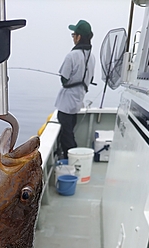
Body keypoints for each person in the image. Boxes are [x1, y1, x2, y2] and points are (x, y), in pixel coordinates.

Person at [55, 20, 95, 158]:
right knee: (69, 130)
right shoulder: (92, 57)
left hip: (66, 104)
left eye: (74, 35)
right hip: (78, 102)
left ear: (79, 37)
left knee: (66, 135)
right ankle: (69, 156)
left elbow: (64, 79)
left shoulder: (72, 55)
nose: (73, 38)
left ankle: (72, 158)